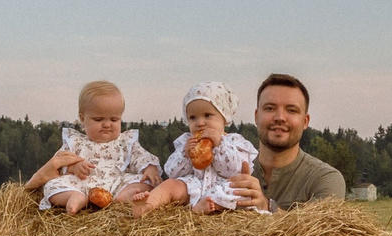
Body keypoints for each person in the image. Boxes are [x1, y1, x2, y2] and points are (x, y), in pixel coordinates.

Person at [30, 80, 161, 213]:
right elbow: (58, 163)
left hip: (117, 183)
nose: (107, 124)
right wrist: (73, 167)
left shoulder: (125, 142)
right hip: (82, 184)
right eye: (98, 120)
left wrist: (149, 168)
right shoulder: (75, 142)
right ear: (82, 118)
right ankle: (76, 198)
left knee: (147, 182)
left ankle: (126, 196)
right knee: (51, 186)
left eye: (114, 120)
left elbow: (141, 157)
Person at [227, 72, 349, 212]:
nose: (280, 118)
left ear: (305, 121)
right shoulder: (228, 170)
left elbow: (317, 231)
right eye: (270, 108)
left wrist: (265, 206)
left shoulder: (324, 179)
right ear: (256, 116)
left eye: (291, 110)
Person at [136, 82, 258, 214]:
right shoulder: (186, 141)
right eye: (193, 118)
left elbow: (233, 171)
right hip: (194, 186)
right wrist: (185, 154)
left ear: (224, 117)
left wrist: (219, 145)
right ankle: (146, 206)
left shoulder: (234, 141)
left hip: (222, 187)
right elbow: (172, 172)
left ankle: (208, 206)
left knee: (238, 192)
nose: (200, 123)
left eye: (207, 115)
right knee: (170, 185)